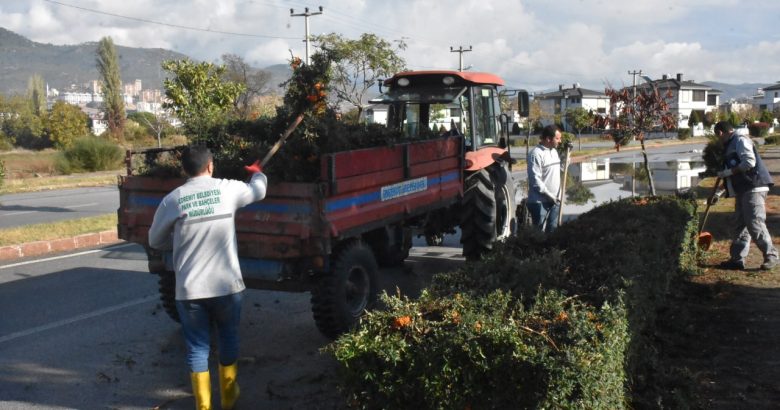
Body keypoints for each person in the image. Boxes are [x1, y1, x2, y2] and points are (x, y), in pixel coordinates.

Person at [148, 146, 267, 410]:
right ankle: (228, 398)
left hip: (190, 290)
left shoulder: (173, 199)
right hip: (227, 287)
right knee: (228, 337)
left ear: (184, 169)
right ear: (211, 166)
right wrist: (257, 173)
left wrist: (178, 242)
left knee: (197, 347)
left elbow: (155, 240)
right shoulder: (229, 189)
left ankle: (204, 406)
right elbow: (259, 190)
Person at [713, 121, 778, 270]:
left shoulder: (740, 140)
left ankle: (771, 256)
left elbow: (749, 162)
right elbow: (733, 174)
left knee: (755, 222)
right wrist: (718, 192)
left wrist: (728, 172)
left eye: (717, 136)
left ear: (720, 133)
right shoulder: (730, 145)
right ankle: (737, 259)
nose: (718, 139)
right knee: (740, 224)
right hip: (743, 189)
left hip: (754, 186)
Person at [527, 124, 562, 232]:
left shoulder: (554, 151)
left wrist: (564, 165)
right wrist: (549, 195)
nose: (560, 141)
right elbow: (535, 180)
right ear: (548, 139)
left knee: (553, 232)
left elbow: (554, 171)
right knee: (539, 234)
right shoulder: (536, 154)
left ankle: (552, 249)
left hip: (555, 200)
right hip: (540, 202)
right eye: (557, 138)